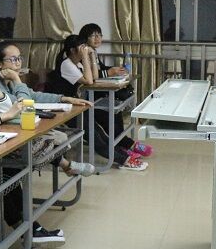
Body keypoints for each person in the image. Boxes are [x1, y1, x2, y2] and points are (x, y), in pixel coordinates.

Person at [0, 40, 97, 244]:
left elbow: (32, 96)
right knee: (11, 172)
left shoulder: (8, 79)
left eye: (19, 58)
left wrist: (64, 99)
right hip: (0, 144)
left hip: (10, 138)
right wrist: (17, 79)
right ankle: (28, 228)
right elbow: (23, 104)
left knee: (47, 141)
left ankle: (29, 228)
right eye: (13, 59)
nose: (18, 63)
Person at [47, 36, 148, 171]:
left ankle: (122, 155)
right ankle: (124, 160)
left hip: (76, 104)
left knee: (99, 132)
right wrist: (85, 57)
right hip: (63, 109)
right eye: (82, 47)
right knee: (94, 137)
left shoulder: (77, 63)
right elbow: (89, 81)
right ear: (72, 50)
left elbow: (94, 77)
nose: (85, 49)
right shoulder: (66, 64)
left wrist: (92, 57)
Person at [78, 23, 153, 158]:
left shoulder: (93, 52)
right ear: (85, 38)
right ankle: (125, 145)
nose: (97, 38)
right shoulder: (83, 55)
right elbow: (90, 77)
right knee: (108, 113)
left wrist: (115, 70)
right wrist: (108, 72)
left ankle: (122, 143)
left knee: (115, 111)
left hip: (96, 95)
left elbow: (100, 69)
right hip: (86, 98)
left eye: (99, 35)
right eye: (93, 36)